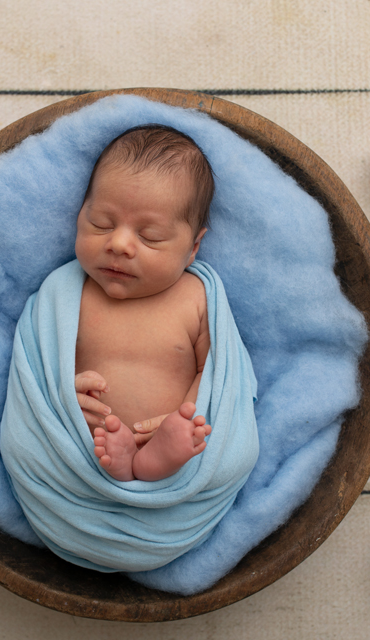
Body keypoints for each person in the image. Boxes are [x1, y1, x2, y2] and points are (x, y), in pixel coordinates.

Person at [72, 125, 216, 482]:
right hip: (82, 449)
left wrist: (188, 414)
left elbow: (219, 370)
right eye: (101, 223)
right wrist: (63, 394)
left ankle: (157, 459)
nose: (119, 244)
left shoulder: (194, 296)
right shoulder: (65, 294)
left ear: (193, 248)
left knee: (185, 437)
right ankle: (123, 462)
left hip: (172, 443)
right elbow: (34, 367)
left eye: (149, 236)